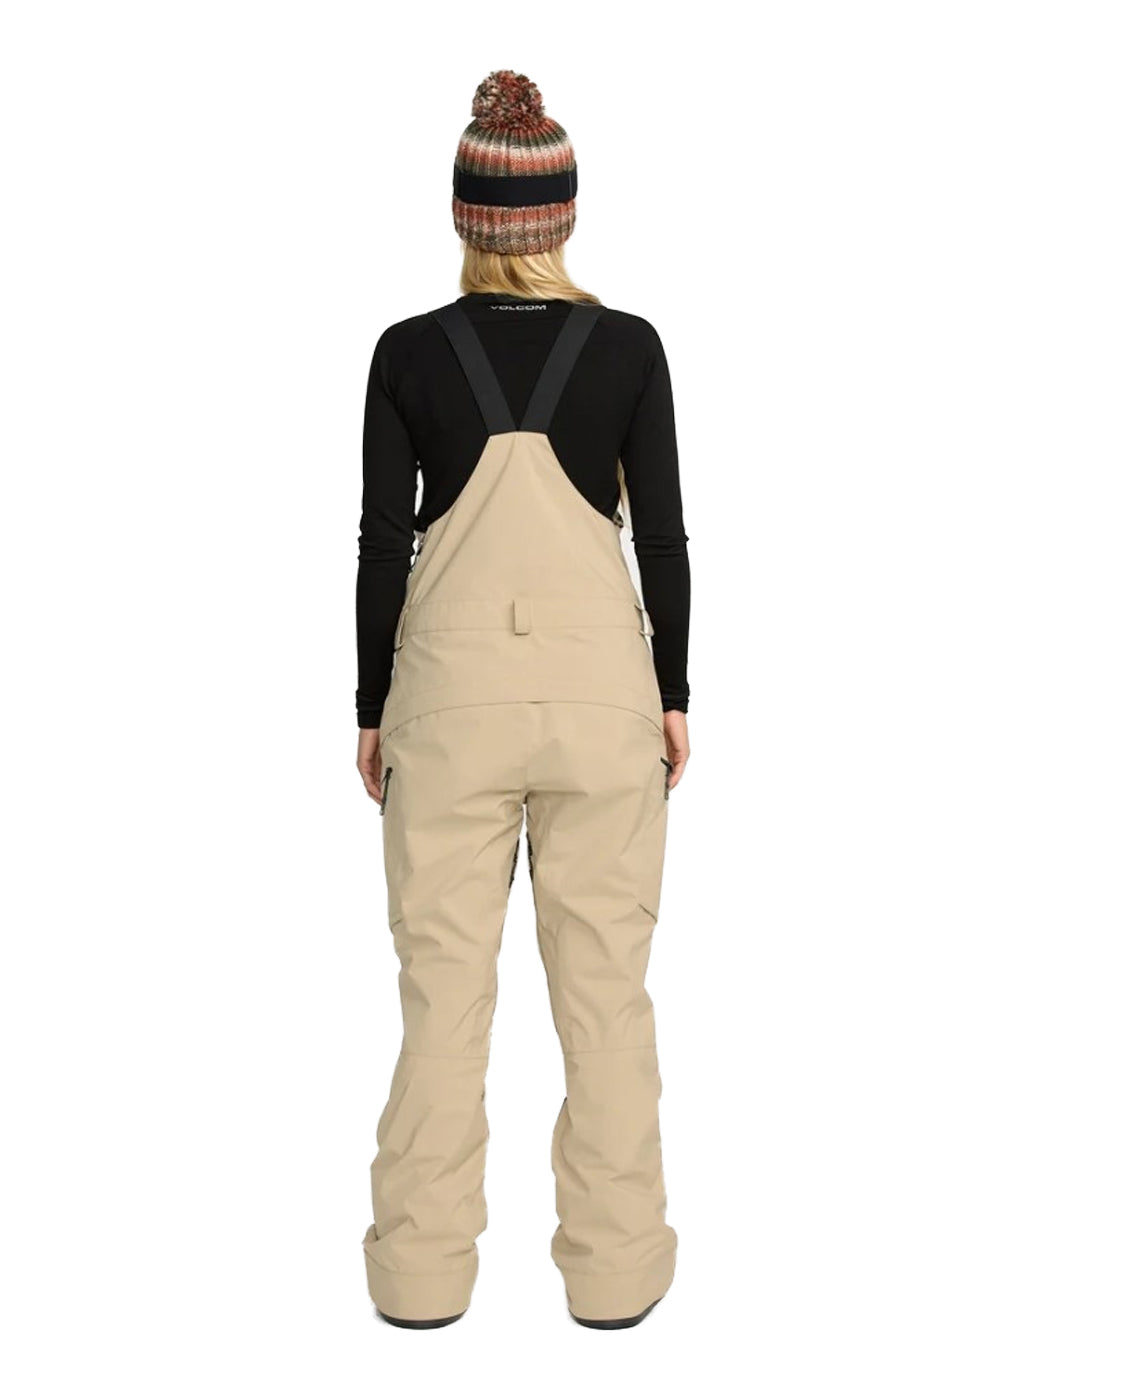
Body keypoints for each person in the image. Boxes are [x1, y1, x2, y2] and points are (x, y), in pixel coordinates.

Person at [354, 69, 692, 1331]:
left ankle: (417, 1280)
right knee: (604, 999)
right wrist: (671, 693)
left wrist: (371, 704)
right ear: (562, 214)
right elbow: (661, 539)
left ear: (466, 215)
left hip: (447, 704)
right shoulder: (629, 348)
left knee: (442, 1001)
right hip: (602, 702)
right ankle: (616, 1278)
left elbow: (382, 545)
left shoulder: (405, 353)